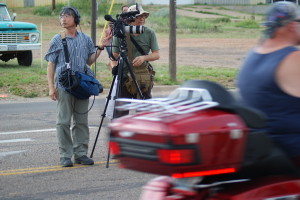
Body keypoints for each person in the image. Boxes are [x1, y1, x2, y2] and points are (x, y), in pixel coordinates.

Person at [237, 2, 300, 164]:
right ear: (292, 25)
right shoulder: (292, 58)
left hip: (261, 143)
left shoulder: (253, 55)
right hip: (290, 147)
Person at [45, 6, 107, 167]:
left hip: (81, 85)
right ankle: (65, 155)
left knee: (81, 121)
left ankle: (80, 154)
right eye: (61, 16)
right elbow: (51, 64)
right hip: (64, 86)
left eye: (67, 15)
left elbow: (89, 61)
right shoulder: (57, 39)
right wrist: (51, 87)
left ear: (75, 19)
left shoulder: (85, 39)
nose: (63, 19)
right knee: (63, 121)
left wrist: (100, 47)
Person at [111, 4, 160, 101]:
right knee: (122, 112)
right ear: (130, 18)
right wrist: (114, 68)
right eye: (139, 16)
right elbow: (114, 56)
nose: (142, 18)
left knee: (143, 112)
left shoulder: (149, 33)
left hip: (143, 77)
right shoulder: (121, 33)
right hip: (125, 77)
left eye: (144, 16)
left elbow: (156, 54)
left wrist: (144, 58)